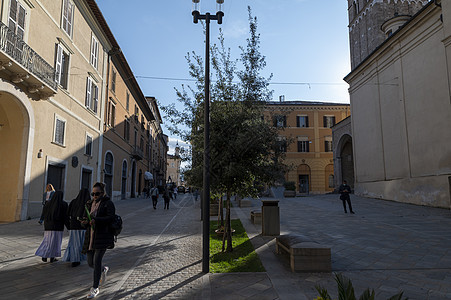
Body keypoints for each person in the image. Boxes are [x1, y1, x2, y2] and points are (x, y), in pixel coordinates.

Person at [82, 182, 115, 299]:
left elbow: (110, 218)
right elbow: (86, 217)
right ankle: (103, 269)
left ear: (102, 193)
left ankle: (95, 288)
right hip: (90, 236)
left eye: (97, 194)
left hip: (102, 236)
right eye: (93, 194)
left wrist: (97, 220)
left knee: (96, 261)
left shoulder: (108, 203)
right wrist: (85, 222)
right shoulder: (90, 203)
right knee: (90, 262)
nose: (94, 196)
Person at [35, 191, 68, 263]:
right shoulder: (63, 204)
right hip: (58, 227)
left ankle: (45, 255)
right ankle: (52, 257)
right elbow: (65, 217)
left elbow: (43, 214)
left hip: (48, 226)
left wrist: (42, 221)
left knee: (47, 241)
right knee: (55, 243)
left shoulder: (48, 203)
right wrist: (68, 226)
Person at [63, 188, 90, 267]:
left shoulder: (73, 202)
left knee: (73, 243)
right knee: (80, 244)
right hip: (83, 226)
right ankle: (77, 259)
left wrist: (69, 226)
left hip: (73, 226)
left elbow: (68, 214)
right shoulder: (88, 203)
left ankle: (73, 258)